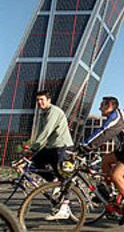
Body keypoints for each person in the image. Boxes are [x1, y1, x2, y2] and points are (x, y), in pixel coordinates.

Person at [28, 90, 74, 221]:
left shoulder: (53, 111)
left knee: (64, 176)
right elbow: (44, 134)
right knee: (36, 160)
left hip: (62, 147)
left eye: (42, 99)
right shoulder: (44, 113)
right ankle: (53, 181)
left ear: (49, 100)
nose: (39, 102)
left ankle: (64, 209)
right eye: (37, 100)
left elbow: (46, 131)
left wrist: (34, 147)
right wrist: (34, 150)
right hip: (52, 147)